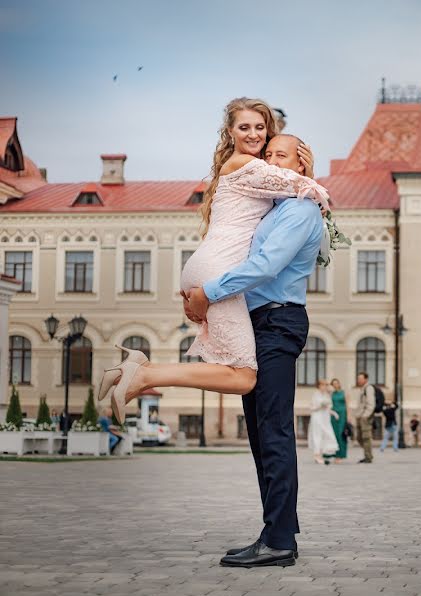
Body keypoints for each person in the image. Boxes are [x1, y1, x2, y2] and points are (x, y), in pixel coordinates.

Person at [99, 99, 331, 568]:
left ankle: (281, 541)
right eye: (268, 155)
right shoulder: (272, 205)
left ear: (301, 163)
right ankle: (275, 530)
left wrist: (208, 293)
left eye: (279, 155)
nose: (269, 162)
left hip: (279, 320)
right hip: (257, 316)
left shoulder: (300, 211)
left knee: (276, 432)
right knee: (261, 437)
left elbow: (263, 266)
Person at [308, 379, 339, 465]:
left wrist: (334, 413)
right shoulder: (315, 394)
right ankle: (317, 455)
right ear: (319, 386)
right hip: (317, 417)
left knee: (326, 434)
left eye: (326, 385)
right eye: (323, 385)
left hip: (325, 417)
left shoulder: (326, 394)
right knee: (317, 435)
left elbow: (329, 406)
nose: (325, 387)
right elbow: (312, 407)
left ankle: (321, 454)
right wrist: (320, 405)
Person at [325, 378, 348, 463]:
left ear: (339, 384)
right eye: (333, 384)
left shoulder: (344, 392)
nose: (335, 385)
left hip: (342, 415)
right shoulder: (331, 393)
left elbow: (347, 405)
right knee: (333, 434)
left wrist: (348, 417)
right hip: (333, 415)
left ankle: (341, 455)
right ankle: (334, 454)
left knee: (341, 434)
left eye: (336, 383)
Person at [355, 372, 376, 463]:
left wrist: (366, 415)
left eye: (360, 379)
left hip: (365, 417)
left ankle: (368, 456)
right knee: (359, 437)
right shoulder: (362, 389)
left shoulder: (369, 388)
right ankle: (368, 454)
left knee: (366, 437)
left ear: (366, 379)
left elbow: (371, 403)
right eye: (358, 379)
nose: (358, 380)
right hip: (360, 416)